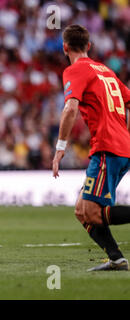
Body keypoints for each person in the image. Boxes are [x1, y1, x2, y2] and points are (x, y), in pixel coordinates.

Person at [52, 24, 130, 271]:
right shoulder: (106, 71)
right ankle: (116, 258)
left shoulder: (75, 70)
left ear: (65, 47)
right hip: (121, 148)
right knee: (81, 211)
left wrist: (60, 147)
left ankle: (116, 259)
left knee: (94, 213)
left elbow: (70, 108)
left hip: (107, 148)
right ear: (89, 46)